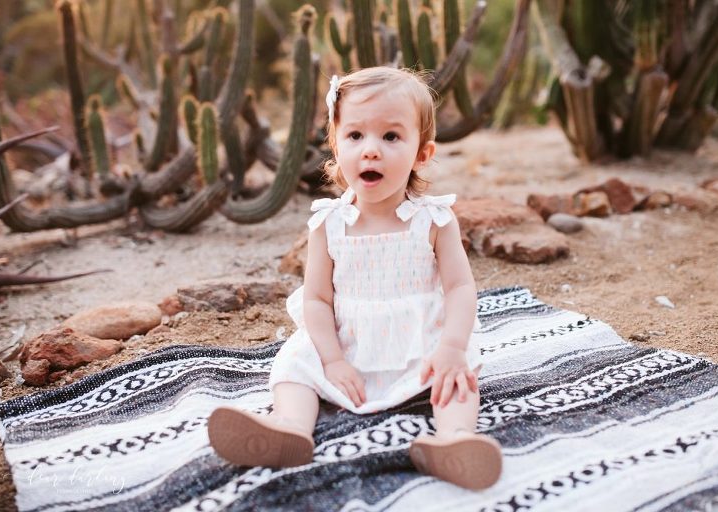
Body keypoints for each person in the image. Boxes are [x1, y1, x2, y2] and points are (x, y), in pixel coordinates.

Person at [208, 66, 502, 490]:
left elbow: (459, 287)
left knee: (461, 372)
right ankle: (289, 426)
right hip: (346, 341)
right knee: (294, 362)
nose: (371, 151)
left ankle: (455, 438)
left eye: (391, 137)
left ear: (422, 153)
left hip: (419, 342)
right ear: (336, 146)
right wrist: (331, 359)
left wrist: (452, 346)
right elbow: (317, 301)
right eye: (355, 136)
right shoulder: (329, 224)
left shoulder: (434, 220)